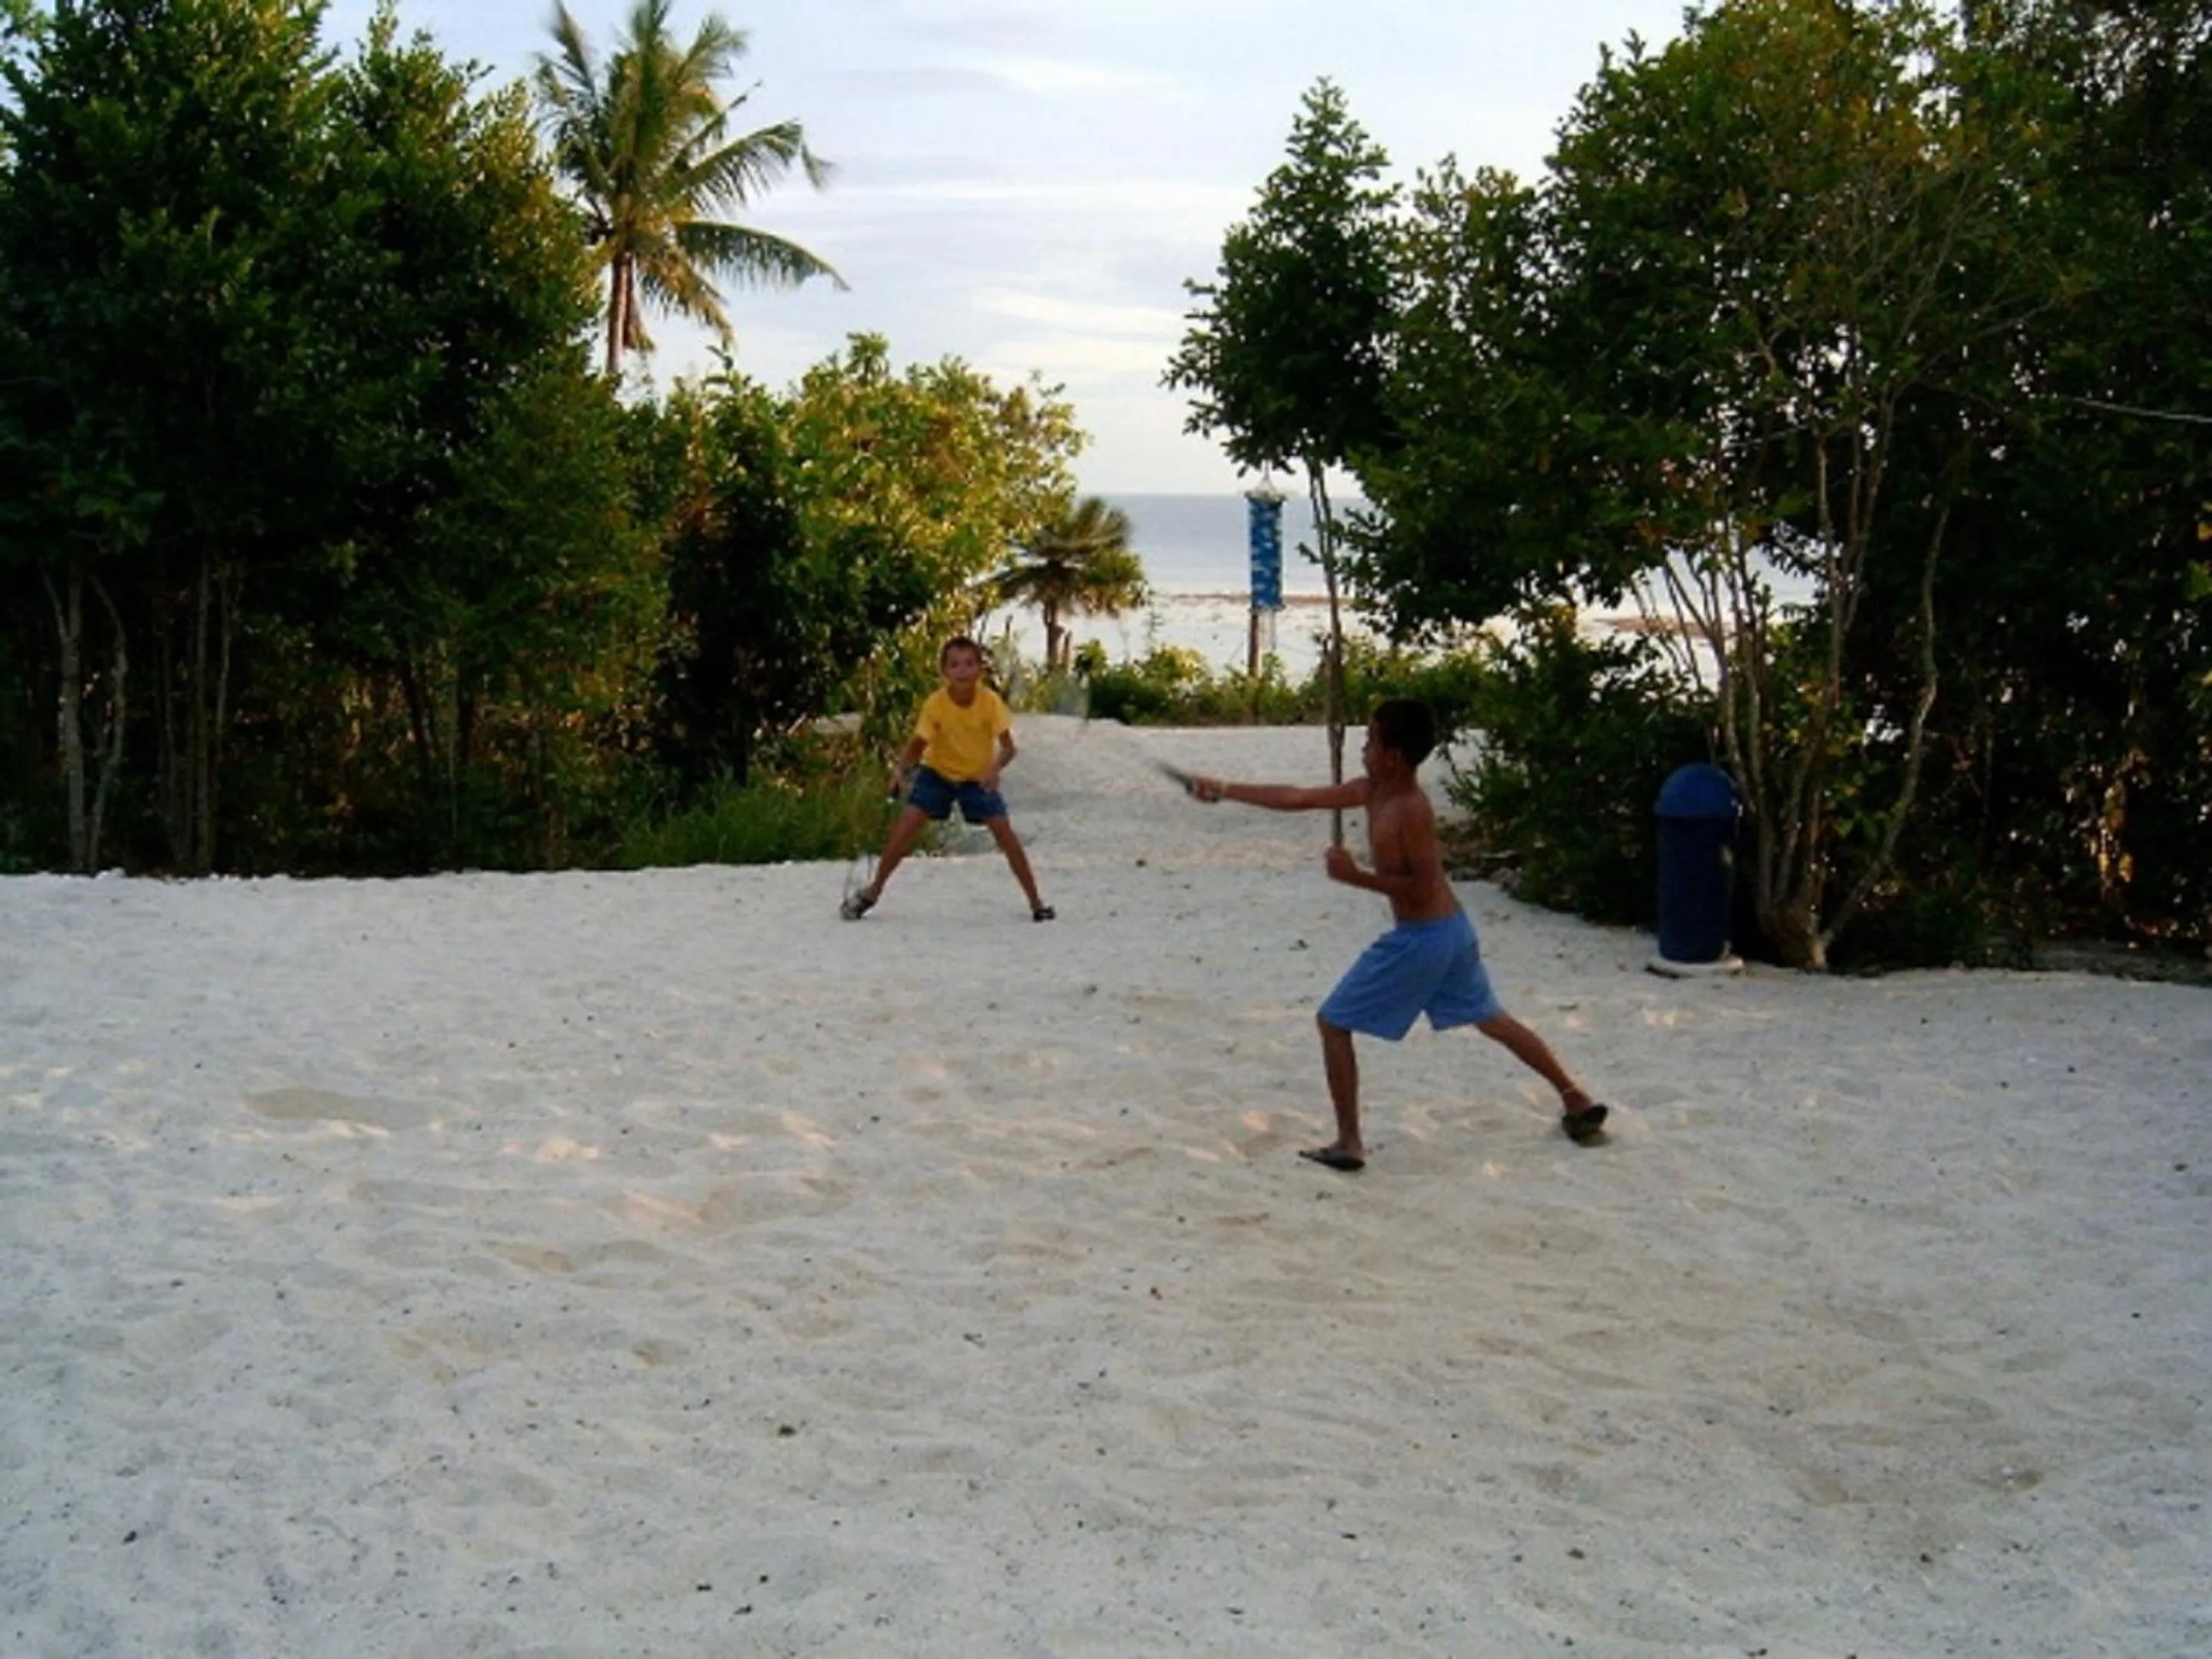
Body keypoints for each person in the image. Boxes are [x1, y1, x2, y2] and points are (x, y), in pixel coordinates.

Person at [1181, 699, 1608, 1170]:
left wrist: (1354, 877)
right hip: (1452, 932)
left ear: (1394, 756)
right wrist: (1222, 788)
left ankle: (1349, 1143)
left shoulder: (1410, 810)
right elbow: (1298, 797)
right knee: (1491, 1018)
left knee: (1333, 1022)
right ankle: (1575, 1097)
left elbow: (1422, 887)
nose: (1364, 750)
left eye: (1371, 742)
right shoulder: (1373, 791)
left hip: (1425, 937)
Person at [841, 637, 1055, 923]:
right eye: (955, 665)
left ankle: (1036, 902)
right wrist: (901, 772)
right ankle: (872, 892)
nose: (962, 671)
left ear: (980, 669)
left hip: (977, 778)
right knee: (904, 830)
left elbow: (1008, 747)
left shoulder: (990, 702)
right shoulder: (936, 704)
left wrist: (994, 770)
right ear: (945, 672)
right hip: (937, 775)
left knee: (1005, 834)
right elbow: (918, 744)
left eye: (969, 664)